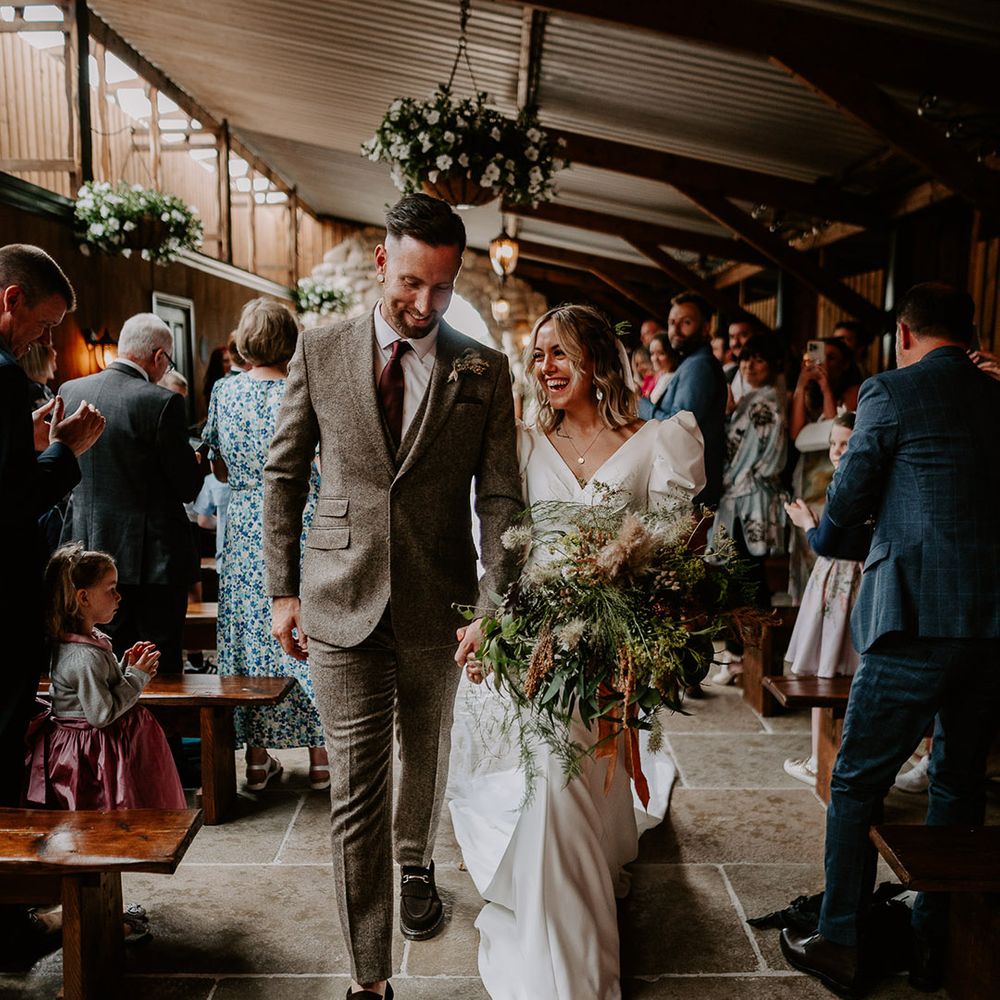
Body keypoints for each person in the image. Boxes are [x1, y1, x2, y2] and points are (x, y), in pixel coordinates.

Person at [263, 193, 522, 1000]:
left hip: (438, 604)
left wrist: (492, 604)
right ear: (382, 261)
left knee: (427, 750)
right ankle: (368, 980)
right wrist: (281, 591)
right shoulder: (321, 347)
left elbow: (502, 501)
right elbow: (284, 472)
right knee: (355, 791)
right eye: (413, 283)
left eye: (442, 289)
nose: (425, 304)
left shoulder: (484, 370)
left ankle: (417, 860)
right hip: (338, 599)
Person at [450, 304, 705, 1000]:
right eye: (538, 356)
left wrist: (637, 604)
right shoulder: (524, 442)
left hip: (614, 634)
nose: (546, 368)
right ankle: (569, 958)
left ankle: (597, 855)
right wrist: (490, 620)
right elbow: (501, 544)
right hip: (537, 634)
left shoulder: (659, 440)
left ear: (596, 359)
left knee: (591, 768)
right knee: (554, 773)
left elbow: (675, 545)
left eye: (560, 353)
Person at [780, 283, 1000, 997]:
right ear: (968, 336)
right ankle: (937, 943)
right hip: (993, 625)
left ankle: (841, 939)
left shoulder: (889, 390)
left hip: (912, 619)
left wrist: (827, 532)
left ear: (903, 335)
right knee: (958, 785)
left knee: (856, 783)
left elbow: (851, 499)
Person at [0, 243, 104, 960]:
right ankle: (6, 924)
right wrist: (65, 451)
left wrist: (32, 446)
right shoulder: (5, 381)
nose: (47, 340)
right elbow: (10, 504)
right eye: (44, 324)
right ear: (10, 299)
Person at [203, 298, 329, 791]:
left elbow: (217, 467)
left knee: (250, 639)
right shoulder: (304, 390)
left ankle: (257, 762)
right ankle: (320, 761)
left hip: (245, 530)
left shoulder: (224, 393)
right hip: (300, 521)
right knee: (307, 633)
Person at [59, 313, 203, 674]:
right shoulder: (161, 402)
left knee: (98, 663)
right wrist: (197, 462)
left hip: (87, 554)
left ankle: (106, 733)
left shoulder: (71, 391)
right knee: (157, 667)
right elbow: (187, 485)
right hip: (153, 562)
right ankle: (156, 733)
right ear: (158, 357)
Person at [24, 543, 185, 810]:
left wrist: (125, 667)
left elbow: (101, 686)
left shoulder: (89, 641)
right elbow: (101, 714)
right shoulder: (82, 657)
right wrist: (136, 677)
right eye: (111, 590)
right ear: (83, 598)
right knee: (100, 807)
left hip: (95, 741)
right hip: (89, 751)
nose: (119, 596)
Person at [780, 412, 870, 785]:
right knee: (847, 671)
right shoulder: (873, 480)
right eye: (833, 443)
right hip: (862, 576)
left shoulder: (848, 483)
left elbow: (827, 544)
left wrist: (808, 524)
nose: (836, 450)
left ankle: (820, 760)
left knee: (824, 671)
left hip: (838, 579)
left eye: (845, 443)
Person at [713, 334, 788, 614]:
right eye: (746, 358)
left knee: (749, 574)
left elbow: (762, 455)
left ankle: (754, 647)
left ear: (772, 366)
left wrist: (738, 479)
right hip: (738, 491)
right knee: (741, 572)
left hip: (751, 492)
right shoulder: (748, 400)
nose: (750, 365)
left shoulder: (766, 403)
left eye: (759, 360)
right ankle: (744, 645)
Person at [786, 336, 862, 603]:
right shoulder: (808, 395)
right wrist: (802, 384)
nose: (825, 362)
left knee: (824, 540)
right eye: (822, 356)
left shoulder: (853, 392)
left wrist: (826, 388)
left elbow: (836, 429)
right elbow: (796, 434)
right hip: (807, 475)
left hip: (832, 472)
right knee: (805, 545)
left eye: (832, 358)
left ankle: (826, 601)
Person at [639, 292, 726, 507]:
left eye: (686, 322)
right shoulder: (690, 363)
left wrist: (639, 404)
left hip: (691, 488)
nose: (675, 331)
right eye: (671, 323)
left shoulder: (699, 366)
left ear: (706, 327)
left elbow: (679, 430)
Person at [18, 341, 57, 409]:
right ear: (39, 358)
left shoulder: (42, 388)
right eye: (50, 348)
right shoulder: (34, 391)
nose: (55, 353)